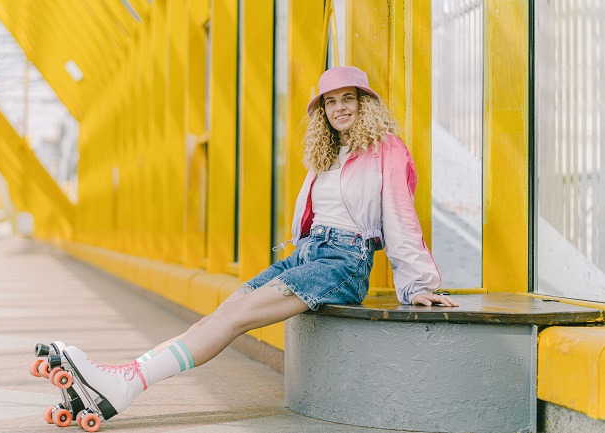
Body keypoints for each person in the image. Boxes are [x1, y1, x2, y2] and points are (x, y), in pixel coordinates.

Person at [53, 66, 459, 422]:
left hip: (343, 262)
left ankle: (127, 384)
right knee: (221, 313)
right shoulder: (327, 153)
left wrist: (418, 284)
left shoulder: (385, 149)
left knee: (234, 318)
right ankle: (122, 378)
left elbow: (402, 216)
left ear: (363, 103)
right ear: (322, 111)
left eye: (348, 99)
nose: (339, 108)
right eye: (330, 102)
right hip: (307, 254)